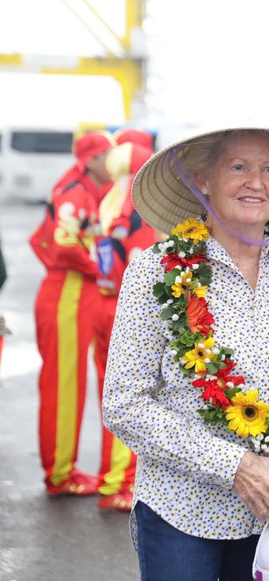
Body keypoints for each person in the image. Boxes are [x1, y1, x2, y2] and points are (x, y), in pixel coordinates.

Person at [101, 123, 269, 579]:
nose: (255, 182)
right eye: (238, 167)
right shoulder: (155, 273)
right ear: (204, 180)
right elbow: (124, 403)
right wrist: (233, 466)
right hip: (181, 514)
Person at [30, 129, 115, 495]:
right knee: (64, 386)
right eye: (108, 155)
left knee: (72, 383)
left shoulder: (87, 190)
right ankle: (60, 474)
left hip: (79, 293)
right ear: (92, 159)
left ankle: (63, 470)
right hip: (67, 294)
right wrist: (106, 271)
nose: (114, 163)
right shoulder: (74, 192)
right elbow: (63, 246)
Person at [90, 141, 161, 512]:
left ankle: (110, 477)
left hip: (102, 302)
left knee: (111, 395)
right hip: (124, 310)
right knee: (131, 400)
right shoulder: (137, 207)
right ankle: (118, 482)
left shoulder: (109, 198)